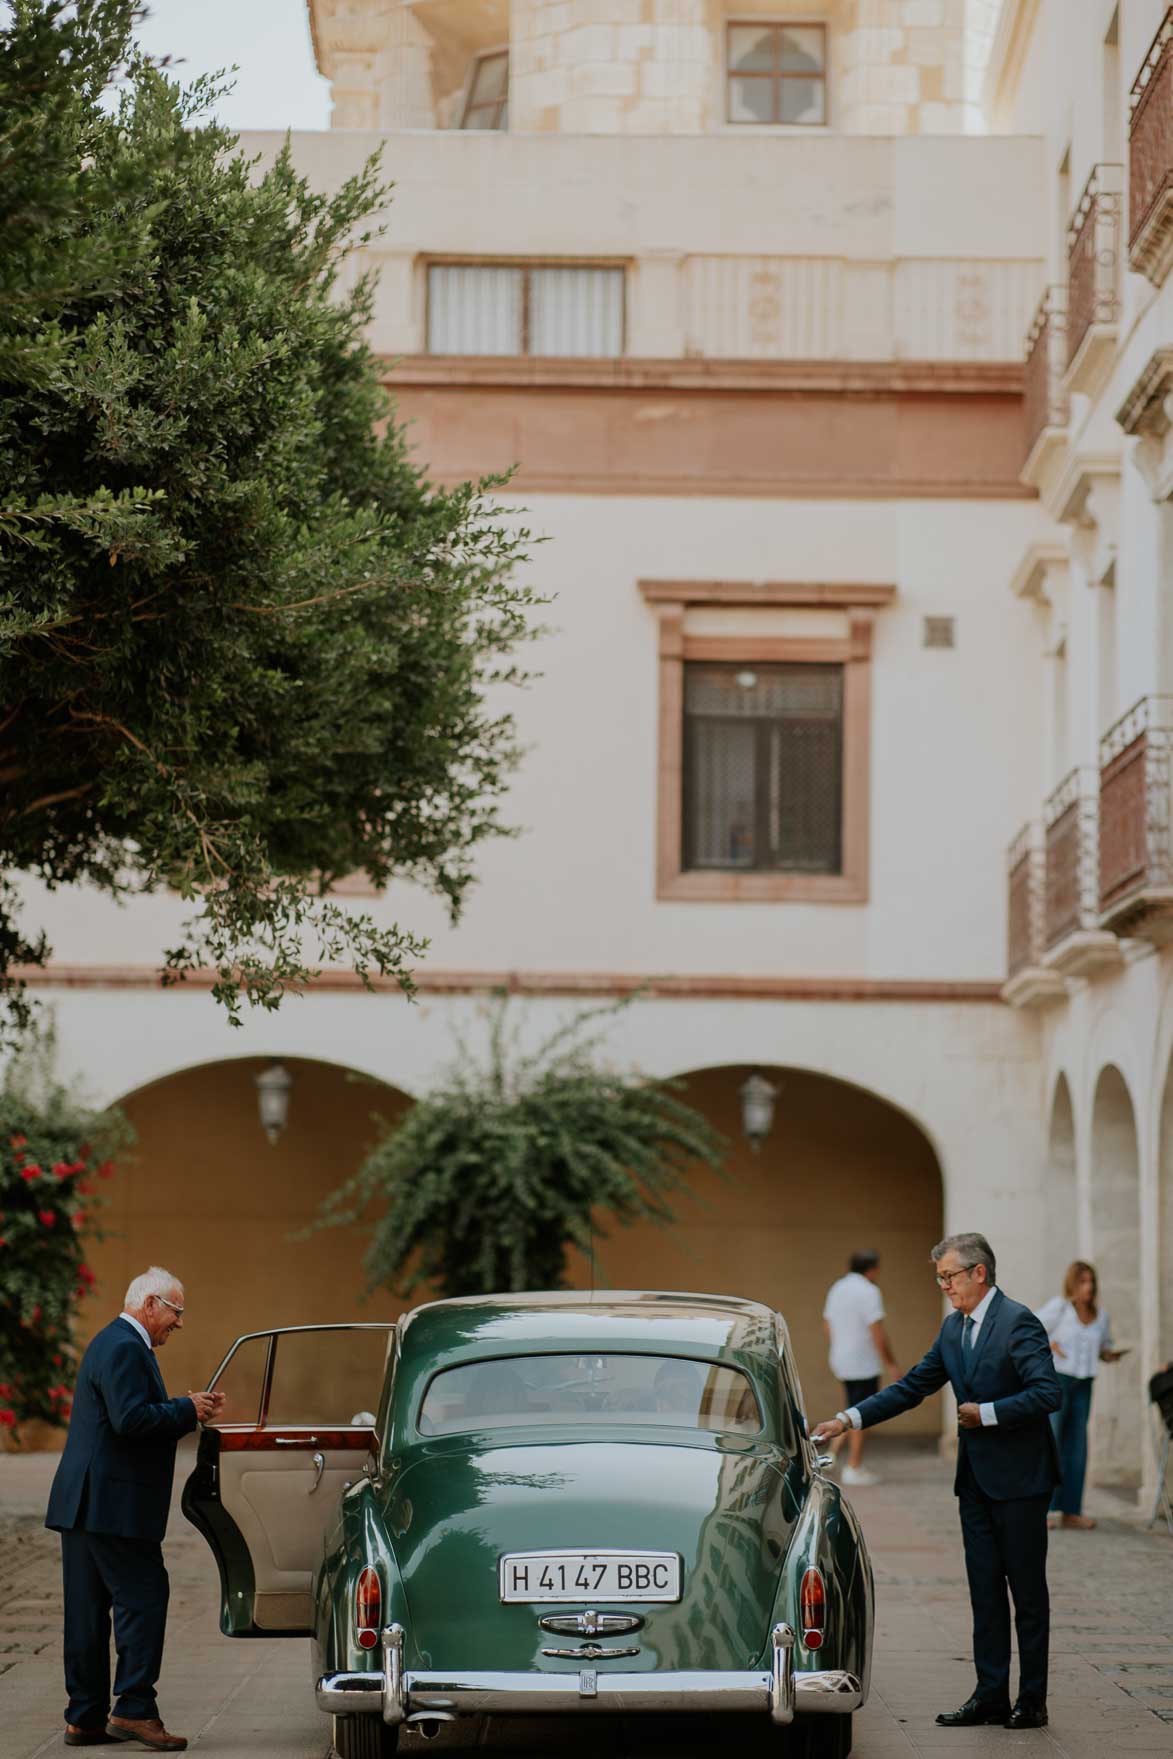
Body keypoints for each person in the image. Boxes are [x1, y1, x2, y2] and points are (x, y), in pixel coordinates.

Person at [812, 1231, 1061, 1732]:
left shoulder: (1019, 1322)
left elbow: (1046, 1392)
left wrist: (986, 1413)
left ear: (979, 1273)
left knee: (1027, 1595)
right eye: (940, 1278)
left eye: (948, 1276)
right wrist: (847, 1419)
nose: (944, 1285)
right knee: (984, 1593)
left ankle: (1031, 1699)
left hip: (1021, 1482)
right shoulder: (953, 1329)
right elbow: (911, 1388)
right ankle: (990, 1694)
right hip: (974, 1484)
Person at [45, 1267, 224, 1751]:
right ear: (150, 1305)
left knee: (86, 1612)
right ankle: (134, 1710)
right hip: (112, 1505)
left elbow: (124, 1414)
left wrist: (183, 1408)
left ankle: (83, 1718)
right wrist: (185, 1410)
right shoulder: (126, 1346)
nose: (179, 1323)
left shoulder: (109, 1341)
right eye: (176, 1311)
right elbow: (130, 1419)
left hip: (83, 1504)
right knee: (144, 1598)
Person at [1036, 1260, 1126, 1531]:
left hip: (1085, 1384)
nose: (1088, 1287)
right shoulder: (1059, 1308)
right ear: (1073, 1284)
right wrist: (1049, 1343)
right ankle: (1044, 1510)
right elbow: (1028, 1329)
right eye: (1083, 1281)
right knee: (1052, 1443)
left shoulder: (1101, 1316)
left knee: (1077, 1447)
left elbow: (1104, 1345)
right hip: (1058, 1381)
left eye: (1091, 1282)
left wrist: (1110, 1354)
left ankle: (1071, 1511)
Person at [821, 1248, 899, 1487]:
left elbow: (827, 1323)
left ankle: (831, 1457)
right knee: (862, 1413)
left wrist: (840, 1346)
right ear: (873, 1269)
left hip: (841, 1357)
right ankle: (854, 1466)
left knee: (851, 1406)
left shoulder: (837, 1288)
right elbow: (877, 1331)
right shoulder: (869, 1291)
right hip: (863, 1361)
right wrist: (891, 1363)